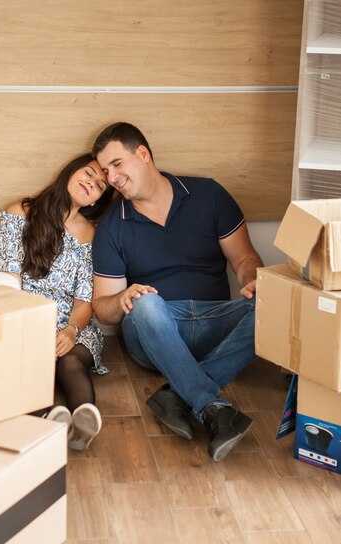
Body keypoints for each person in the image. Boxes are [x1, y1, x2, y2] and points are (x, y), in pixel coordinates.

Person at [91, 122, 263, 462]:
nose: (111, 178)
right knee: (146, 304)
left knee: (276, 304)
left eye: (116, 165)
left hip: (216, 322)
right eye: (105, 171)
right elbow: (102, 307)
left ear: (143, 154)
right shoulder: (113, 225)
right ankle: (210, 406)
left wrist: (254, 279)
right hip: (156, 328)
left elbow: (244, 258)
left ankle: (180, 395)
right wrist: (123, 299)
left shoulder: (209, 194)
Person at [0, 153, 113, 451]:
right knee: (25, 363)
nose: (91, 183)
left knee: (71, 363)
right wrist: (33, 329)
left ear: (97, 200)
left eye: (99, 186)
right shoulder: (22, 213)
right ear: (71, 171)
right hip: (23, 319)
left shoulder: (90, 234)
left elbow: (84, 303)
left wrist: (69, 332)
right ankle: (48, 417)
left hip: (71, 323)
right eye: (89, 173)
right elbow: (8, 286)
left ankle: (82, 424)